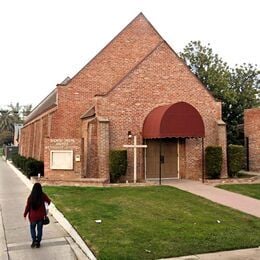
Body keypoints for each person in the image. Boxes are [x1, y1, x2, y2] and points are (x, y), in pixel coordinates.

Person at [23, 182, 51, 248]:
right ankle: (38, 242)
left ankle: (34, 241)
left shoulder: (31, 196)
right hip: (41, 217)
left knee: (32, 229)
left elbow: (27, 207)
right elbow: (49, 201)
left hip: (32, 217)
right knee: (40, 229)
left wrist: (25, 214)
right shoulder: (43, 195)